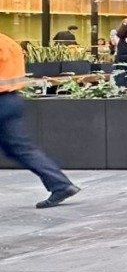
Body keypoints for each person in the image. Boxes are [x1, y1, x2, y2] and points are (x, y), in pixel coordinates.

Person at [0, 32, 79, 208]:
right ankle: (60, 184)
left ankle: (61, 184)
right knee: (20, 149)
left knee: (19, 148)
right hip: (12, 100)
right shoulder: (10, 43)